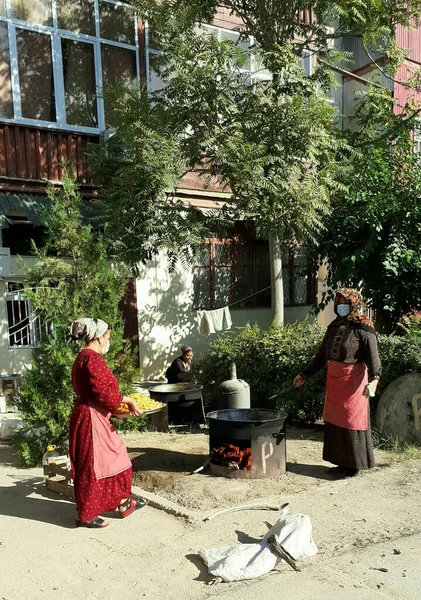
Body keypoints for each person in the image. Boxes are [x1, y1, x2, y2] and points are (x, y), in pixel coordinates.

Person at [69, 318, 149, 529]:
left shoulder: (82, 357)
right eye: (107, 337)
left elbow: (99, 393)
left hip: (94, 415)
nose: (108, 341)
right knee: (93, 466)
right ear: (99, 336)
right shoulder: (91, 358)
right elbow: (102, 392)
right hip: (91, 419)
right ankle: (86, 515)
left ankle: (123, 502)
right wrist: (127, 400)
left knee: (116, 457)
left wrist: (116, 409)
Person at [293, 289, 382, 478]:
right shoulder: (333, 327)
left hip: (354, 382)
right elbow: (321, 357)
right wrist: (304, 374)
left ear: (354, 304)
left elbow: (374, 360)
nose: (340, 306)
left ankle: (354, 465)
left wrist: (374, 380)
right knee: (335, 421)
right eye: (338, 302)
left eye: (344, 302)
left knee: (351, 421)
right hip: (334, 382)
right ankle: (341, 463)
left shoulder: (364, 329)